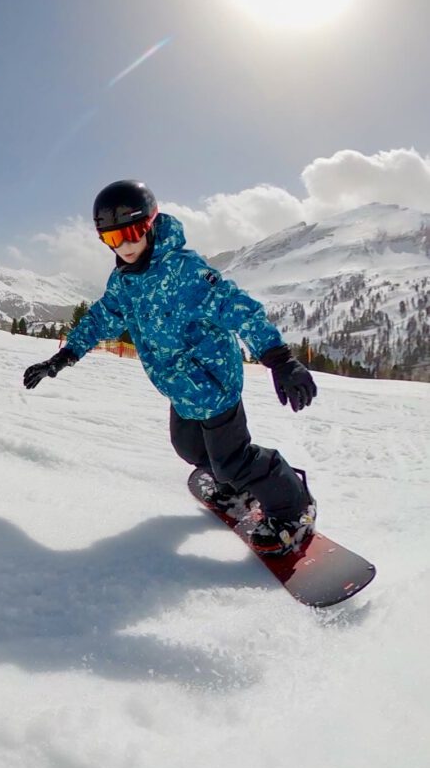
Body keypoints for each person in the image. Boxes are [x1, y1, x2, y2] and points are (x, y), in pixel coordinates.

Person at [23, 181, 317, 554]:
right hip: (179, 390)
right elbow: (102, 318)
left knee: (232, 460)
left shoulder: (186, 271)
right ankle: (232, 487)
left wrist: (280, 360)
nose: (125, 247)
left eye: (130, 233)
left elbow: (239, 309)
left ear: (150, 224)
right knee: (189, 449)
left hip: (214, 383)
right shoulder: (124, 282)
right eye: (112, 239)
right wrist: (62, 358)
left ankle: (293, 508)